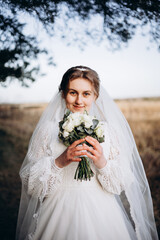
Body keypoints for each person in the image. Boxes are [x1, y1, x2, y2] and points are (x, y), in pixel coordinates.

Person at [16, 66, 158, 240]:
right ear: (63, 94)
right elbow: (32, 184)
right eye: (73, 92)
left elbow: (120, 184)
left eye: (86, 94)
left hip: (102, 212)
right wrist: (59, 161)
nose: (79, 100)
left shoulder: (109, 131)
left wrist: (101, 162)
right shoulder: (48, 130)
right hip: (58, 210)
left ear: (95, 96)